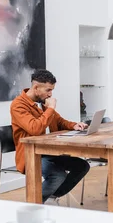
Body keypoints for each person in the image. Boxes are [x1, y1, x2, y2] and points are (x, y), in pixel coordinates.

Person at [11, 69, 90, 204]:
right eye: (48, 90)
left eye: (52, 90)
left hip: (49, 151)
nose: (50, 94)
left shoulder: (43, 103)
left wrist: (75, 125)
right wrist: (50, 109)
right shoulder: (18, 105)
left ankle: (50, 197)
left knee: (82, 166)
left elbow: (59, 121)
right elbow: (34, 128)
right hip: (31, 154)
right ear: (36, 87)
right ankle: (33, 204)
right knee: (57, 175)